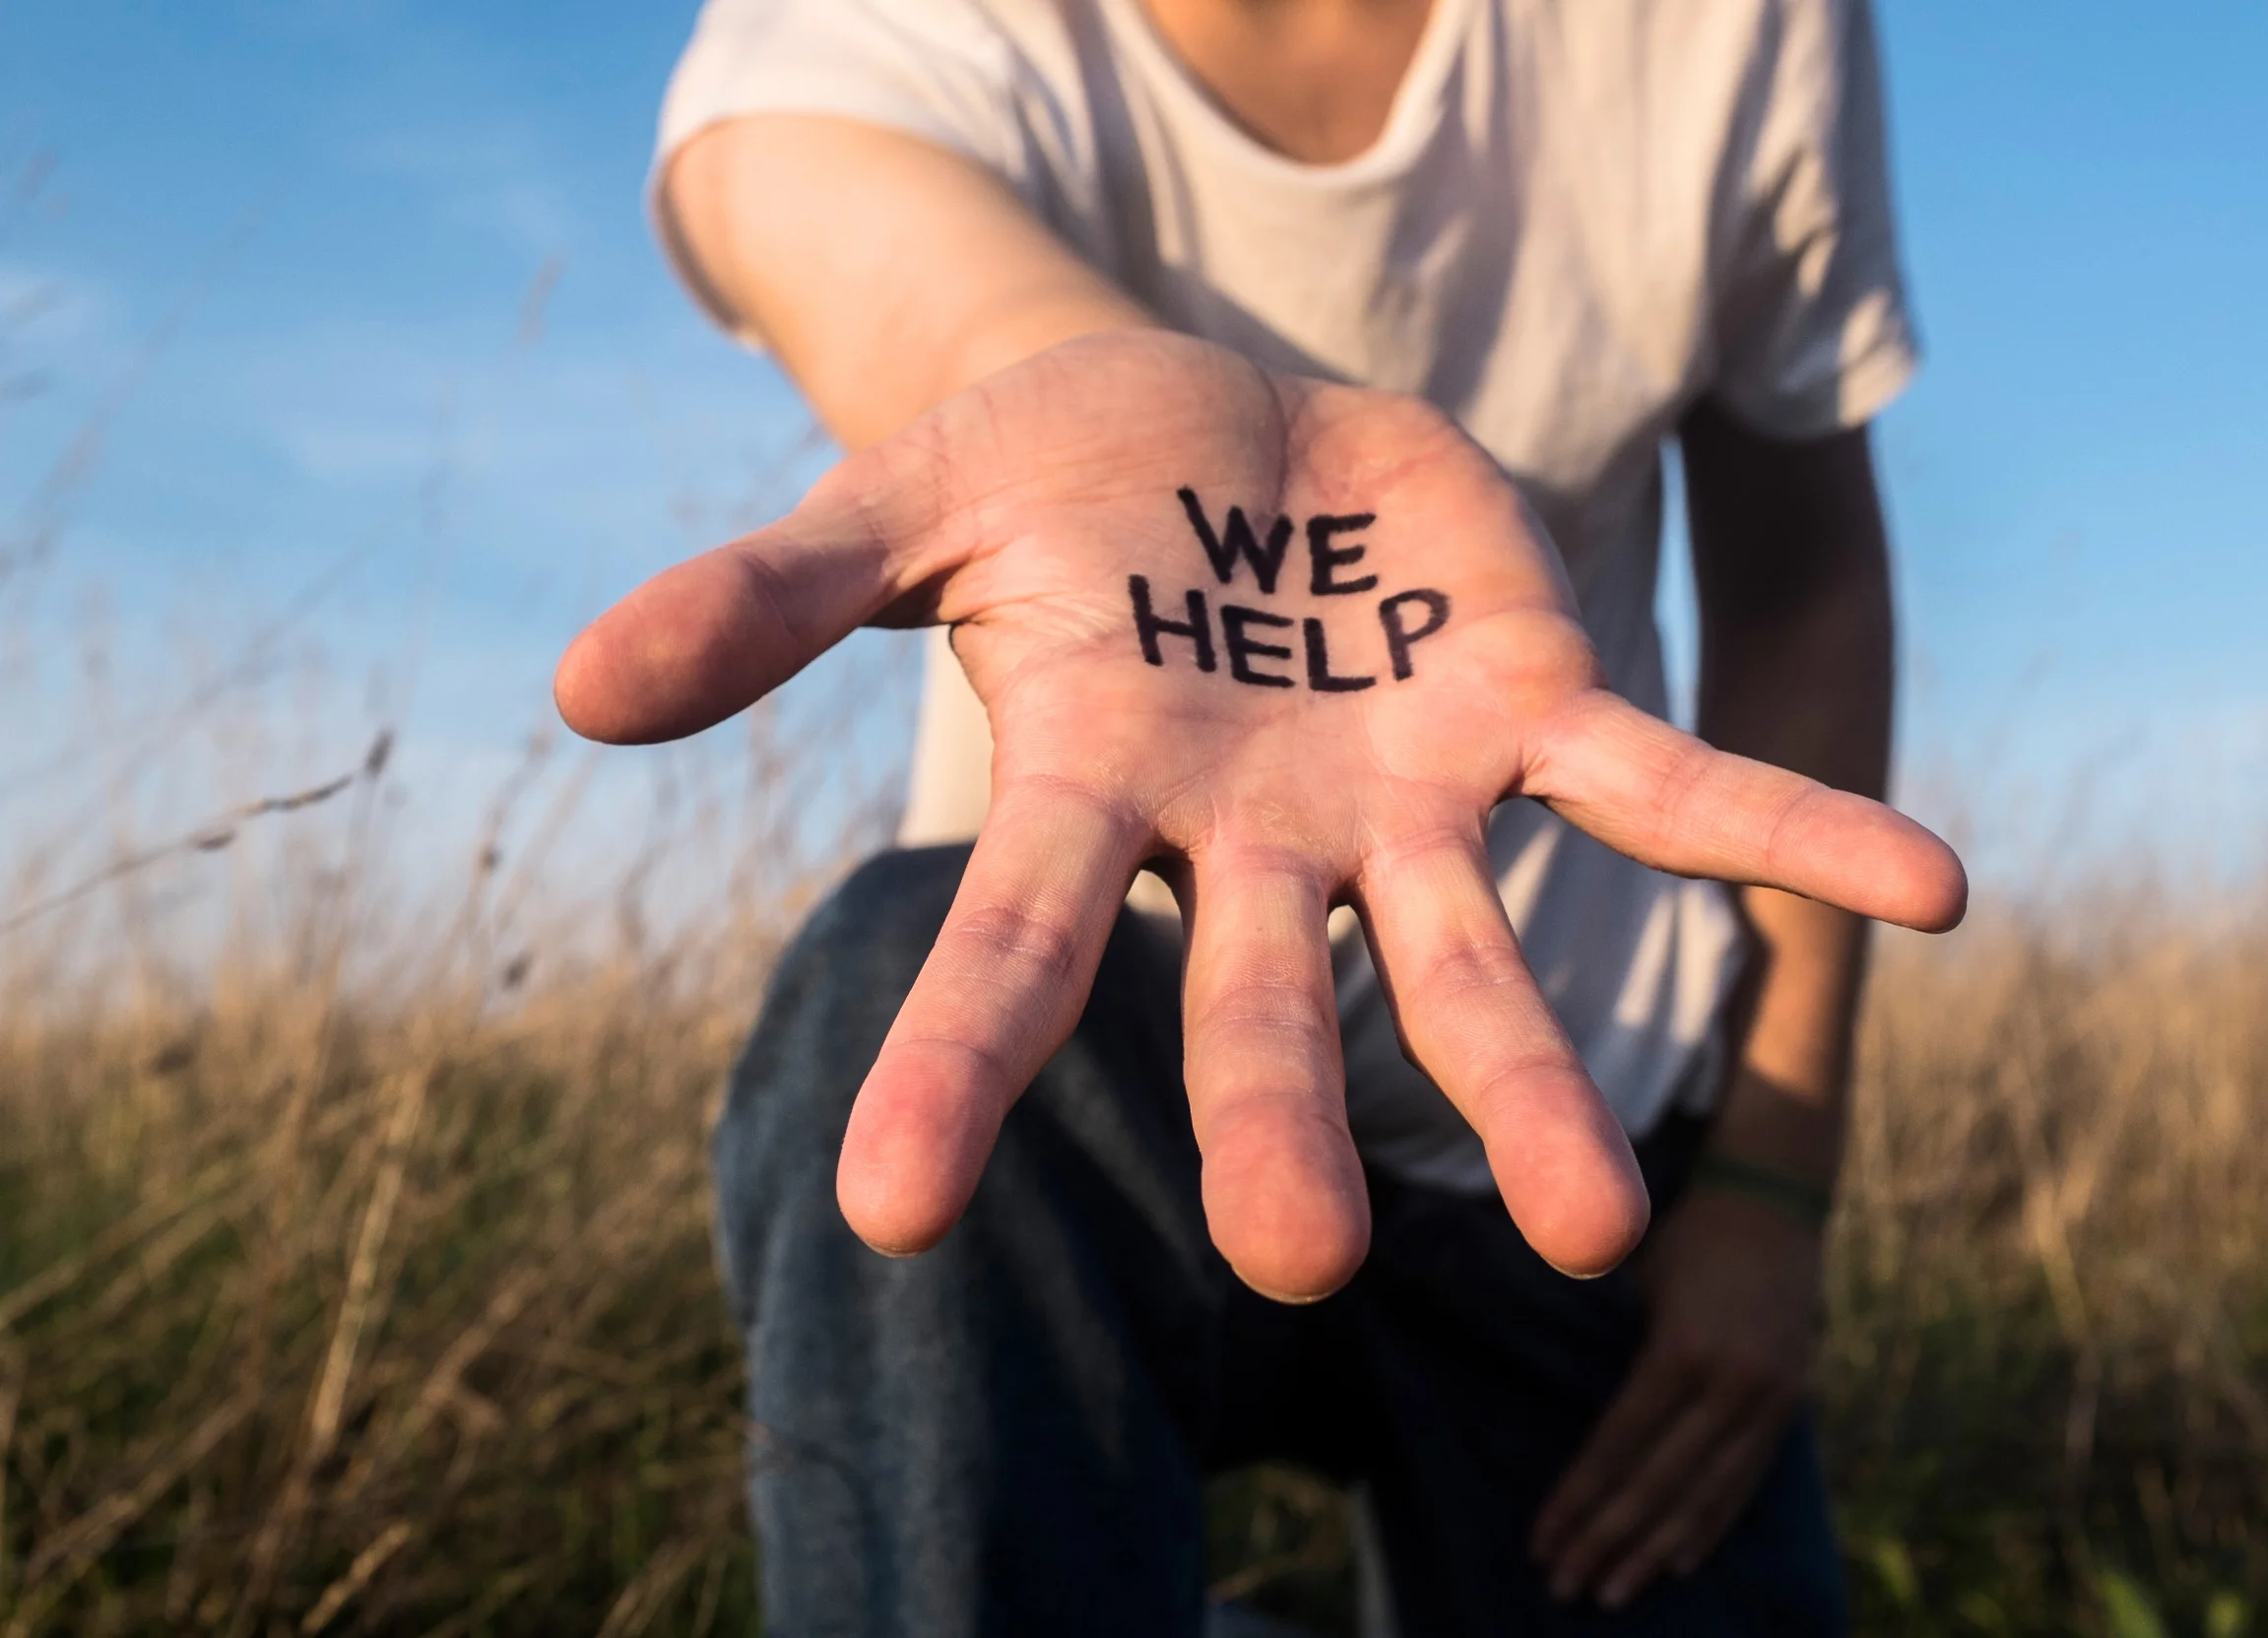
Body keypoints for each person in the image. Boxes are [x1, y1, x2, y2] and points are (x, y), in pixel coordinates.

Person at [554, 0, 1964, 1631]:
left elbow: (1802, 575)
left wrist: (1772, 1187)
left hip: (1579, 1118)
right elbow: (778, 168)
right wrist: (1106, 414)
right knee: (893, 982)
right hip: (1074, 1112)